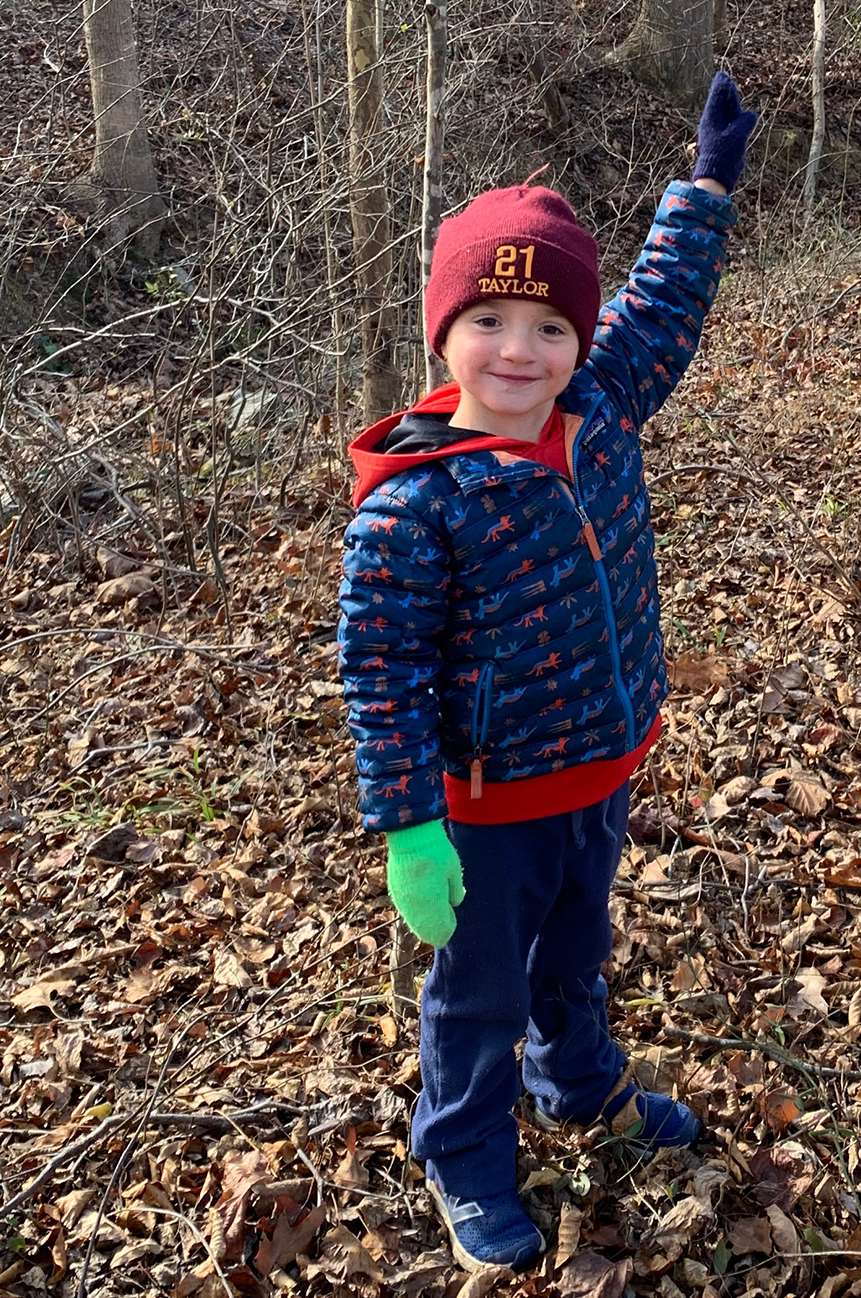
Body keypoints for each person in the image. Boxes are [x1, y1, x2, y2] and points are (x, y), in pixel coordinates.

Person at [338, 73, 756, 1272]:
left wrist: (706, 185)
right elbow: (381, 674)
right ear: (444, 334)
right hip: (483, 811)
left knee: (579, 951)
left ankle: (577, 1083)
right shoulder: (415, 499)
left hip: (601, 771)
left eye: (550, 329)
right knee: (474, 996)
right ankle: (463, 1151)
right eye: (490, 323)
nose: (519, 351)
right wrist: (410, 827)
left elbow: (664, 301)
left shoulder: (603, 412)